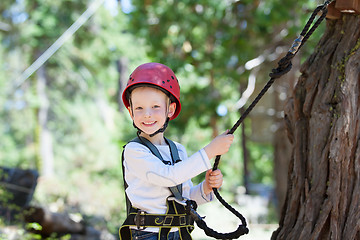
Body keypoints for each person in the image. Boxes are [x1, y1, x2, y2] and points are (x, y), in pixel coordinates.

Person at [119, 62, 234, 240]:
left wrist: (206, 187)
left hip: (179, 234)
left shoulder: (177, 150)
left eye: (155, 107)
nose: (147, 114)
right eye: (139, 108)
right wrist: (209, 151)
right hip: (148, 235)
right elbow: (168, 175)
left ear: (170, 109)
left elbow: (185, 198)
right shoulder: (134, 151)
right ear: (130, 111)